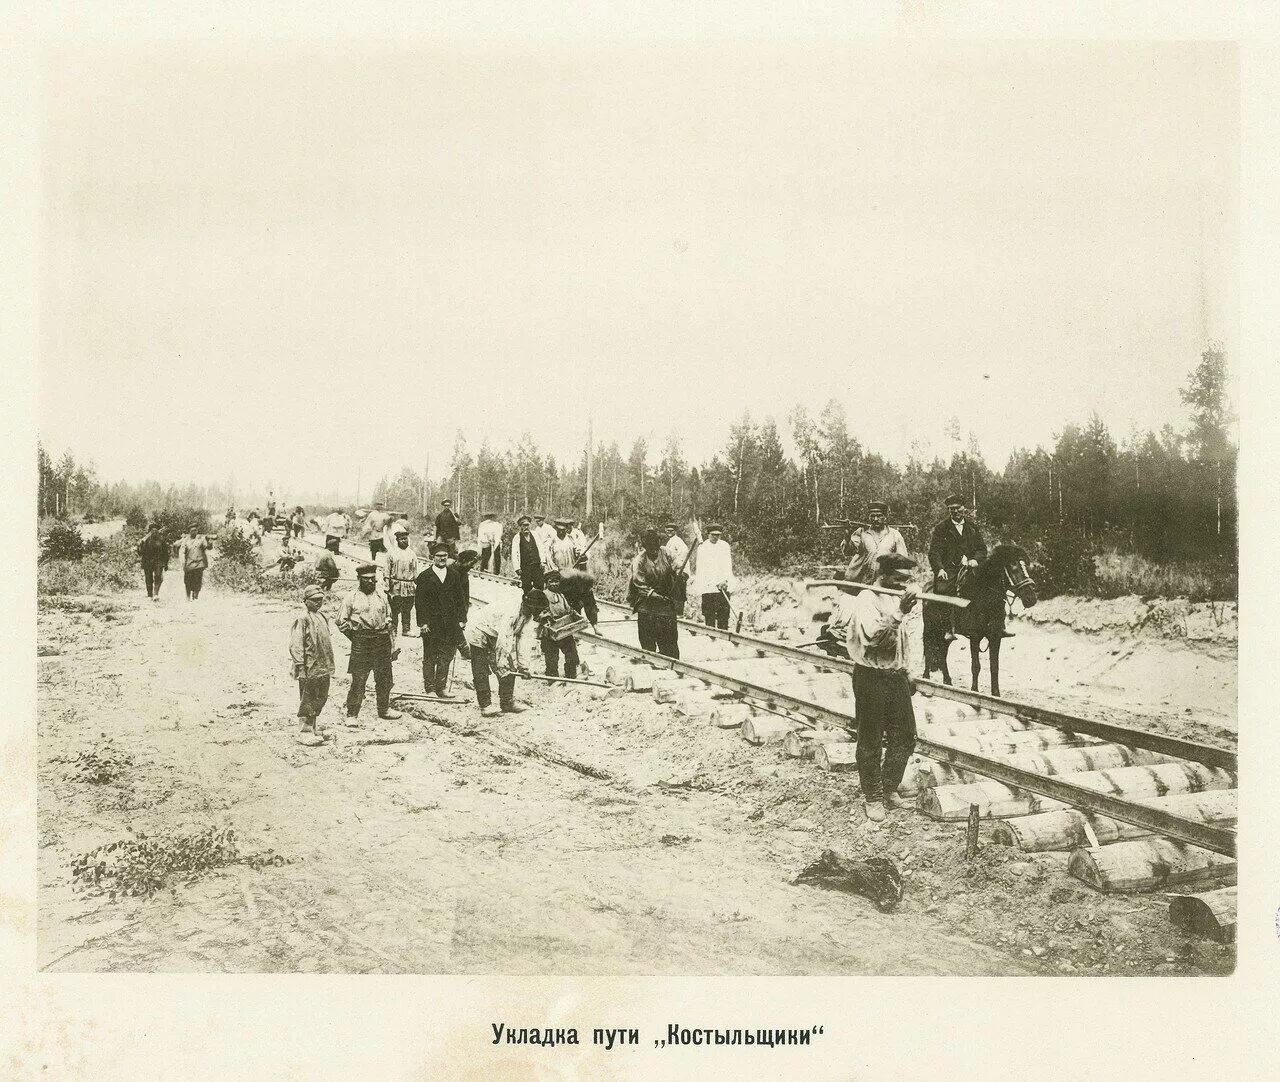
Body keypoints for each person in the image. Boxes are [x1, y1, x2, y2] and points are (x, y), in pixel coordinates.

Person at [848, 553, 921, 823]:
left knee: (905, 735)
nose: (904, 584)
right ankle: (873, 796)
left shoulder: (894, 596)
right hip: (870, 676)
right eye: (899, 579)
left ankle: (890, 787)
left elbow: (903, 640)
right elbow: (875, 639)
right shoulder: (868, 598)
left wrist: (907, 670)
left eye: (908, 580)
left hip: (894, 675)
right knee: (871, 738)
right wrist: (900, 611)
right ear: (884, 575)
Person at [336, 564, 402, 722]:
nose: (370, 582)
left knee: (385, 678)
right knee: (359, 679)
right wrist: (355, 637)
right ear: (359, 579)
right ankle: (352, 714)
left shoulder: (381, 596)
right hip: (362, 641)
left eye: (373, 579)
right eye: (366, 579)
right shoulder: (351, 597)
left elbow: (389, 618)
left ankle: (384, 709)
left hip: (381, 639)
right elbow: (341, 622)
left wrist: (391, 641)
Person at [465, 589, 547, 716]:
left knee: (510, 668)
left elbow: (523, 641)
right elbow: (505, 639)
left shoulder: (528, 616)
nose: (540, 613)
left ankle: (507, 702)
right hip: (479, 629)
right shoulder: (512, 611)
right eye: (538, 610)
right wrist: (501, 663)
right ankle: (485, 706)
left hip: (495, 633)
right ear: (530, 606)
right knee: (481, 668)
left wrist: (523, 667)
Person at [928, 494, 987, 638]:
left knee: (991, 587)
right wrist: (940, 569)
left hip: (972, 567)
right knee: (943, 589)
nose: (955, 512)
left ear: (964, 508)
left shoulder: (972, 527)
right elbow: (934, 552)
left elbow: (982, 549)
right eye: (951, 509)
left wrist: (975, 560)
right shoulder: (941, 528)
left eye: (958, 508)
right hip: (950, 569)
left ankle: (994, 624)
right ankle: (948, 627)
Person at [414, 542, 468, 698]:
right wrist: (423, 623)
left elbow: (460, 600)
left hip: (450, 624)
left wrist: (462, 619)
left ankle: (441, 687)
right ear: (432, 558)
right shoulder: (424, 577)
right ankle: (430, 688)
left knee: (447, 655)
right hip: (431, 624)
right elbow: (420, 603)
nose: (442, 558)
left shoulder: (454, 575)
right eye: (439, 556)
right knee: (430, 656)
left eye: (445, 555)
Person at [627, 528, 685, 657]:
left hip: (666, 594)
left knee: (669, 635)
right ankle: (650, 658)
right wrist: (655, 595)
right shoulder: (639, 561)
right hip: (646, 599)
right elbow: (639, 583)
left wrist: (680, 575)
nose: (654, 551)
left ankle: (670, 658)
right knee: (648, 634)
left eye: (655, 548)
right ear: (646, 547)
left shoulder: (666, 552)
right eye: (650, 548)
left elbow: (678, 565)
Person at [289, 584, 335, 746]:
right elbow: (296, 644)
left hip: (323, 665)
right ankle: (304, 731)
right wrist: (301, 666)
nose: (318, 603)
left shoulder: (322, 617)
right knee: (308, 698)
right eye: (314, 600)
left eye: (321, 600)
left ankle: (314, 727)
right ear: (306, 601)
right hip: (309, 667)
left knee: (320, 696)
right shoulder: (302, 619)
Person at [541, 568, 599, 679]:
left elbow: (569, 609)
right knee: (552, 656)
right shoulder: (543, 595)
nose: (554, 584)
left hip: (564, 629)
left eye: (556, 581)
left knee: (571, 652)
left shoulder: (561, 595)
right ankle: (552, 677)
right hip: (550, 631)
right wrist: (546, 618)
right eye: (551, 582)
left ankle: (571, 674)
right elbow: (540, 611)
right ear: (546, 583)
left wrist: (576, 616)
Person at [844, 500, 910, 585]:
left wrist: (893, 580)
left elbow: (903, 562)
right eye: (872, 516)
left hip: (883, 583)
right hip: (860, 582)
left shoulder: (894, 535)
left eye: (879, 516)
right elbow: (848, 551)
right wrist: (847, 537)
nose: (875, 519)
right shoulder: (862, 532)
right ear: (869, 517)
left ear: (885, 517)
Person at [689, 523, 735, 629]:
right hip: (708, 587)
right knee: (709, 614)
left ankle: (723, 636)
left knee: (723, 614)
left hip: (723, 586)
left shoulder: (724, 546)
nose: (715, 537)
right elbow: (701, 569)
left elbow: (728, 566)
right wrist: (710, 583)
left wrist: (725, 581)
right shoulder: (703, 547)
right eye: (713, 535)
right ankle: (711, 637)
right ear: (708, 534)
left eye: (717, 535)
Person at [384, 522, 419, 636]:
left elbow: (415, 571)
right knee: (395, 609)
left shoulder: (412, 554)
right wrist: (387, 583)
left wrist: (418, 584)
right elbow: (387, 570)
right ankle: (393, 629)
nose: (404, 541)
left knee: (407, 609)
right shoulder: (391, 553)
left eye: (405, 539)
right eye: (402, 539)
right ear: (397, 540)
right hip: (396, 585)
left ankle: (406, 629)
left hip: (409, 587)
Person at [511, 513, 548, 595]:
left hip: (537, 565)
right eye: (524, 525)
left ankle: (539, 604)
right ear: (520, 526)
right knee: (526, 587)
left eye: (527, 525)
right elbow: (514, 554)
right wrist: (517, 568)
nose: (526, 527)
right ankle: (528, 604)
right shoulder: (517, 538)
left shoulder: (535, 534)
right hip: (525, 567)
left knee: (539, 586)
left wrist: (542, 561)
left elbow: (541, 548)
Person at [176, 525, 211, 600]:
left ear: (197, 531)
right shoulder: (185, 541)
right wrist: (183, 562)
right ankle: (188, 596)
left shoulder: (201, 540)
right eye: (192, 531)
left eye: (195, 530)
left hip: (199, 563)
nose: (194, 532)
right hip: (189, 564)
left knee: (198, 580)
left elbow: (208, 547)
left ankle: (195, 596)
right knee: (188, 581)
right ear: (189, 532)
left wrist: (208, 541)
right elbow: (181, 551)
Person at [136, 521, 170, 600]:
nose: (154, 532)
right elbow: (141, 552)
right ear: (150, 532)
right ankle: (149, 595)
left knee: (158, 576)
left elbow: (165, 552)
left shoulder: (161, 540)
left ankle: (156, 594)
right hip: (148, 561)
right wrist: (139, 546)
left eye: (156, 530)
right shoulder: (146, 541)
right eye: (152, 530)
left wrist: (166, 563)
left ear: (158, 531)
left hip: (158, 561)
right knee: (148, 578)